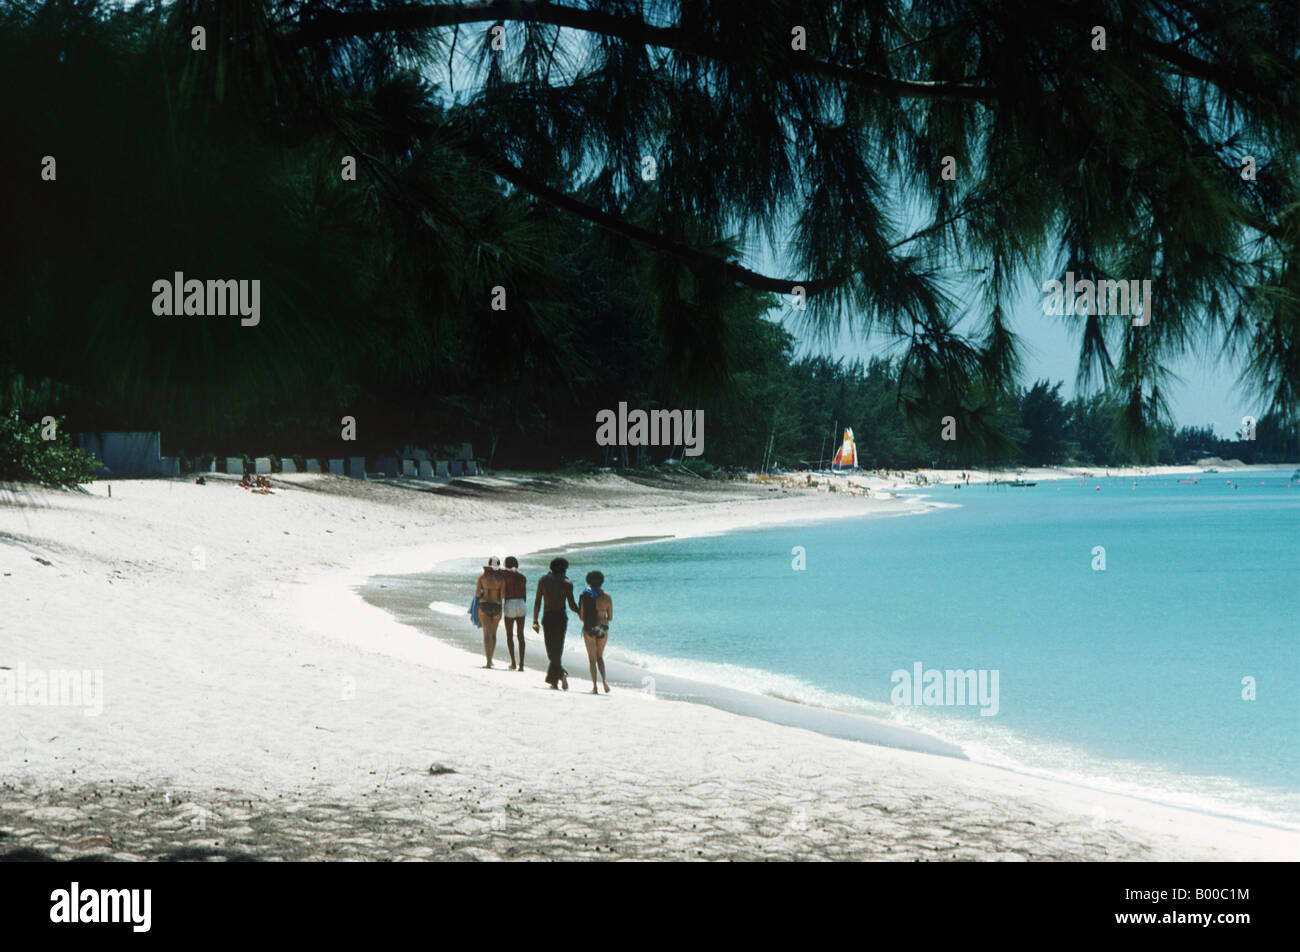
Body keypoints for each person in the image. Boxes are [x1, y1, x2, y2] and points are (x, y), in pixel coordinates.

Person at [533, 557, 578, 690]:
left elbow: (537, 601)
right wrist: (583, 613)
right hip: (560, 618)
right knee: (557, 651)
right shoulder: (567, 583)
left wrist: (535, 620)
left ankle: (555, 680)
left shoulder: (544, 580)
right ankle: (560, 675)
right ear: (564, 569)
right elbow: (572, 605)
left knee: (551, 652)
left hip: (548, 617)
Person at [578, 571, 613, 694]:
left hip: (590, 627)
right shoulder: (607, 596)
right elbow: (611, 617)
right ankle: (604, 681)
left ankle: (594, 687)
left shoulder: (584, 595)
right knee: (600, 657)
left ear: (588, 581)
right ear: (601, 581)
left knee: (592, 659)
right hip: (603, 627)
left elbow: (581, 617)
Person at [475, 556, 506, 668]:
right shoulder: (501, 579)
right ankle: (491, 659)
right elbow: (502, 596)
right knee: (493, 634)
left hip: (484, 605)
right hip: (496, 606)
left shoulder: (482, 577)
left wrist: (485, 592)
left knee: (486, 634)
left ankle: (488, 662)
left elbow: (477, 594)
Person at [502, 556, 527, 671]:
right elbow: (525, 595)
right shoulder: (522, 577)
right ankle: (521, 665)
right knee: (520, 635)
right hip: (521, 603)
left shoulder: (505, 575)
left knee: (509, 635)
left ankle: (513, 662)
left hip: (510, 603)